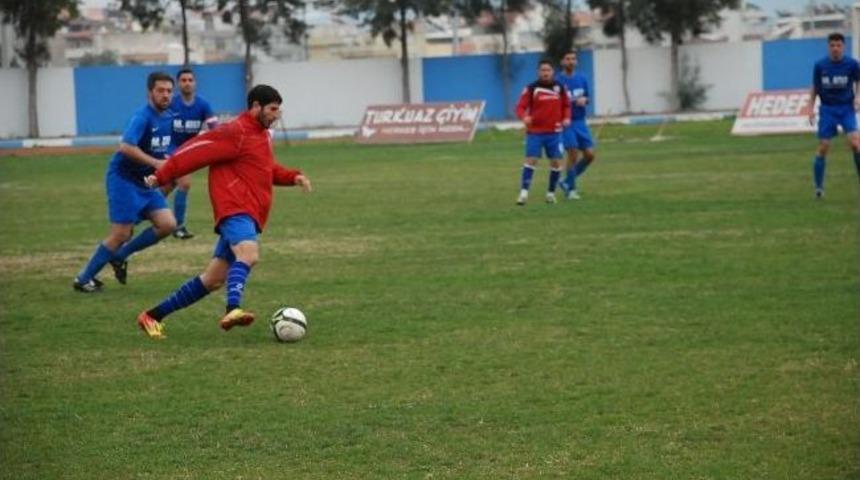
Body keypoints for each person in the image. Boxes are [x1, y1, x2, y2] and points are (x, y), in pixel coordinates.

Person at [135, 85, 312, 339]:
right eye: (273, 109)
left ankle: (152, 316)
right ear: (256, 107)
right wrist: (162, 174)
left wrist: (293, 176)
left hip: (249, 212)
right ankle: (233, 308)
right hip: (236, 208)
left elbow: (266, 169)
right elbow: (196, 150)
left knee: (213, 279)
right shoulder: (235, 131)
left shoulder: (261, 135)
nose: (277, 115)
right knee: (249, 254)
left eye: (279, 110)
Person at [73, 71, 178, 293]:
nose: (165, 95)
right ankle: (83, 279)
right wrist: (157, 163)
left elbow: (161, 148)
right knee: (121, 233)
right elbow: (126, 146)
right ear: (150, 92)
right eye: (160, 90)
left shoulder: (168, 117)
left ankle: (120, 255)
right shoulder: (142, 117)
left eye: (169, 91)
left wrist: (167, 161)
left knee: (168, 224)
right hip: (123, 179)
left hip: (144, 183)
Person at [165, 68, 219, 239]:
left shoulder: (203, 105)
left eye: (190, 80)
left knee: (166, 188)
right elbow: (159, 124)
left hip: (188, 151)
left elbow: (214, 128)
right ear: (178, 84)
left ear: (195, 83)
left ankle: (137, 217)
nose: (187, 83)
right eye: (183, 80)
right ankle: (178, 227)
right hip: (170, 149)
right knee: (185, 183)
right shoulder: (172, 104)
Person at [808, 32, 860, 198]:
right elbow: (815, 88)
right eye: (832, 45)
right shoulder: (820, 65)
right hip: (828, 109)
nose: (835, 49)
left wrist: (858, 97)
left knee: (856, 143)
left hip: (846, 108)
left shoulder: (852, 64)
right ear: (828, 47)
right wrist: (810, 108)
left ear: (843, 47)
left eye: (838, 45)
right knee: (824, 147)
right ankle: (818, 187)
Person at [515, 58, 571, 206]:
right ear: (538, 72)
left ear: (553, 72)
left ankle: (551, 194)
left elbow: (566, 106)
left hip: (554, 132)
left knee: (556, 163)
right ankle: (523, 193)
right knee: (531, 160)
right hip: (535, 132)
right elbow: (520, 107)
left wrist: (566, 118)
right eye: (542, 70)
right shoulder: (531, 88)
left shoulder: (560, 87)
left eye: (548, 70)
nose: (545, 73)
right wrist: (524, 117)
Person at [556, 51, 595, 200]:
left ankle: (566, 181)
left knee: (590, 155)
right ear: (562, 62)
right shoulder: (558, 81)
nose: (571, 61)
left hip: (580, 121)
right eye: (568, 59)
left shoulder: (582, 78)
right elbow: (553, 102)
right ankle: (571, 190)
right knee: (573, 153)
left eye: (573, 59)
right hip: (566, 122)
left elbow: (588, 98)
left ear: (576, 62)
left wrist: (585, 100)